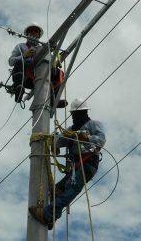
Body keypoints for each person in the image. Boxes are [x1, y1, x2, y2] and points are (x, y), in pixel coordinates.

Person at [28, 98, 106, 229]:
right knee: (56, 191)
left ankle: (46, 214)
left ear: (84, 113)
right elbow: (60, 141)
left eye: (77, 114)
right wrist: (52, 139)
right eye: (74, 114)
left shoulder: (93, 124)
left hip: (87, 164)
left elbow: (101, 139)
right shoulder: (71, 130)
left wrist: (85, 137)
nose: (75, 117)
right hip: (76, 168)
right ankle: (53, 216)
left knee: (71, 190)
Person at [8, 22, 67, 108]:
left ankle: (53, 100)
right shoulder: (20, 46)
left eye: (36, 31)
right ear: (27, 34)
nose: (33, 33)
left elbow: (49, 62)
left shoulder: (43, 47)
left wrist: (53, 51)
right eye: (31, 31)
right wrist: (24, 56)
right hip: (26, 77)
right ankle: (19, 89)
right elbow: (11, 61)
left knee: (59, 73)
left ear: (39, 35)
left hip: (40, 75)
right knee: (20, 62)